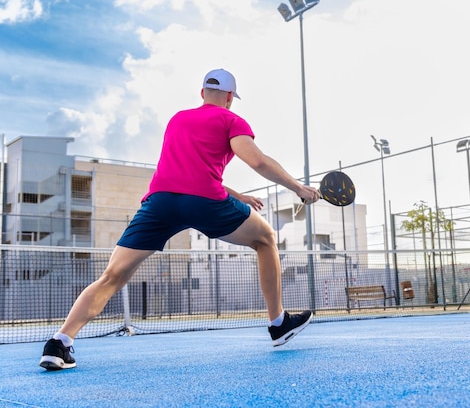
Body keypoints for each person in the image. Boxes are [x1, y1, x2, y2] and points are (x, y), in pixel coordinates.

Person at [39, 68, 321, 370]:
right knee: (265, 239)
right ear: (229, 98)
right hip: (205, 202)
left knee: (112, 277)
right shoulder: (231, 120)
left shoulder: (177, 120)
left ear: (202, 93)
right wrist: (299, 188)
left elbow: (185, 173)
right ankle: (278, 323)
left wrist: (238, 197)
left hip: (160, 202)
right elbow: (258, 160)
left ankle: (59, 343)